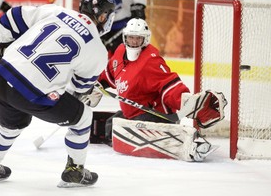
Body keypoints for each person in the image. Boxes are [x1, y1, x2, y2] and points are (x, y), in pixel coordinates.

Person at [0, 0, 115, 187]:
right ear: (103, 15)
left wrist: (6, 51)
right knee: (82, 117)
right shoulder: (97, 49)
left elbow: (10, 17)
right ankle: (75, 169)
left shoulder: (57, 11)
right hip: (34, 95)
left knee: (10, 123)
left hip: (3, 78)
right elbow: (79, 91)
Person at [97, 18, 226, 161]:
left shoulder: (150, 60)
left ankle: (183, 140)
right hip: (132, 114)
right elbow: (109, 75)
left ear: (145, 40)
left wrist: (187, 102)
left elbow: (169, 85)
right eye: (131, 37)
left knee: (122, 129)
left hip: (155, 115)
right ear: (125, 37)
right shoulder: (120, 52)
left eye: (138, 38)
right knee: (111, 125)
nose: (133, 41)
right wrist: (94, 84)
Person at [82, 0, 147, 58]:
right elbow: (86, 16)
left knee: (129, 56)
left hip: (126, 24)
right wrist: (96, 33)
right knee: (103, 58)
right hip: (103, 29)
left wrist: (138, 6)